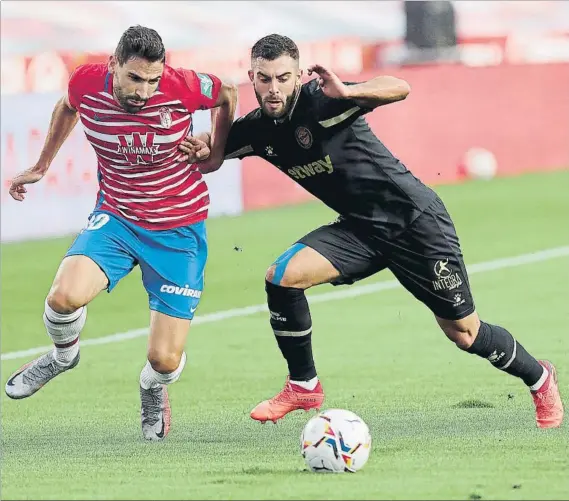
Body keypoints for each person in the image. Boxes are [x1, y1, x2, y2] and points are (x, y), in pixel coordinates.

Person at [179, 34, 563, 428]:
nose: (274, 88)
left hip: (415, 222)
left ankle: (540, 378)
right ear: (252, 78)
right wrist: (205, 145)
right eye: (264, 79)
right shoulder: (257, 129)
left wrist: (348, 91)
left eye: (283, 78)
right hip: (359, 231)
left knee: (465, 333)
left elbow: (401, 87)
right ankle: (304, 385)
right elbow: (213, 158)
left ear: (297, 76)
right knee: (282, 277)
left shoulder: (322, 100)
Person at [5, 25, 237, 441]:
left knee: (164, 359)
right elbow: (66, 106)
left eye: (152, 81)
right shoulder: (86, 82)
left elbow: (228, 94)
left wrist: (216, 152)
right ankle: (62, 356)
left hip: (178, 229)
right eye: (135, 79)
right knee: (61, 298)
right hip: (118, 217)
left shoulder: (183, 86)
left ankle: (152, 389)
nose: (144, 92)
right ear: (114, 65)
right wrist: (41, 166)